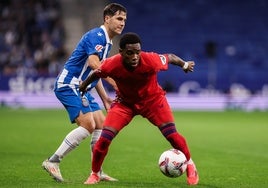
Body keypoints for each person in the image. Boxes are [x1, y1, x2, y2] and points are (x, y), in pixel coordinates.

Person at [79, 32, 199, 185]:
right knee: (104, 139)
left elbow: (170, 57)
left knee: (172, 136)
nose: (135, 56)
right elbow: (97, 73)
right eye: (130, 53)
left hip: (153, 101)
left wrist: (185, 65)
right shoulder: (111, 63)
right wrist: (83, 85)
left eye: (137, 52)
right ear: (121, 52)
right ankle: (95, 173)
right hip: (125, 104)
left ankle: (189, 164)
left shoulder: (151, 60)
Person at [42, 3, 127, 182]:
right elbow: (94, 65)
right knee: (88, 125)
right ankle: (53, 161)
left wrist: (105, 98)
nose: (122, 23)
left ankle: (97, 172)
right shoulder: (96, 36)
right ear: (107, 18)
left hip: (83, 87)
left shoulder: (107, 41)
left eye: (124, 20)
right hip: (69, 84)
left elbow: (95, 74)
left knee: (101, 124)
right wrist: (118, 83)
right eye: (119, 18)